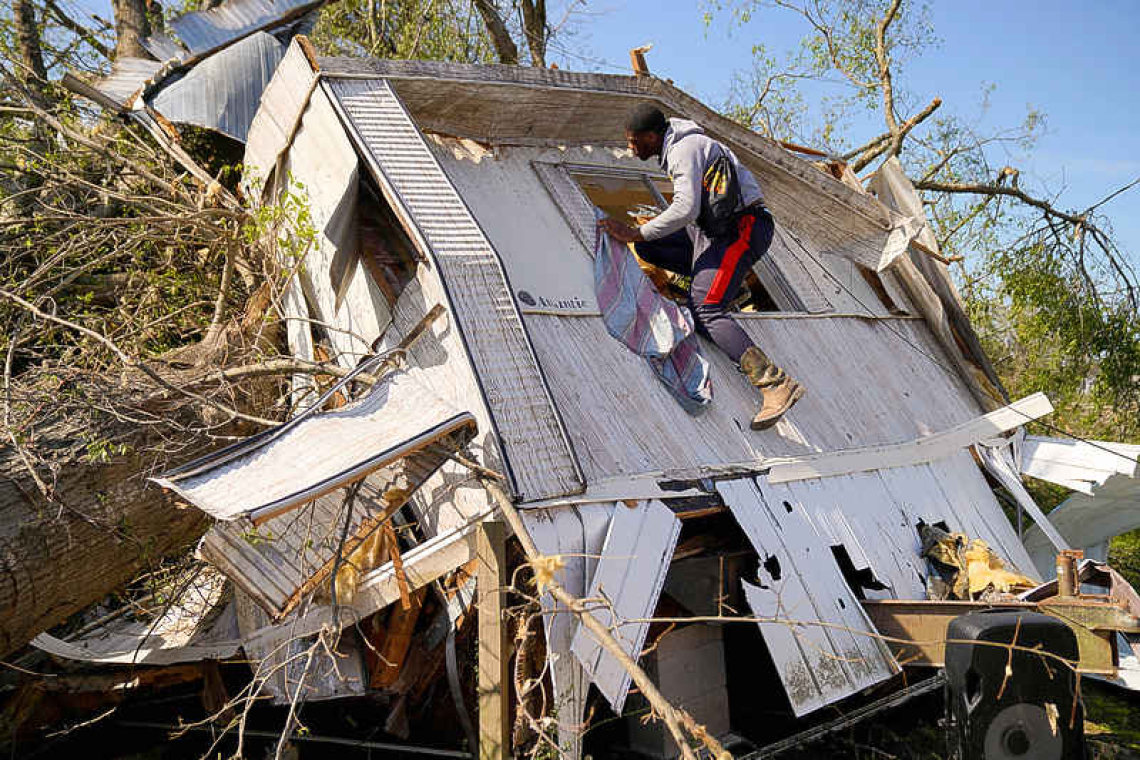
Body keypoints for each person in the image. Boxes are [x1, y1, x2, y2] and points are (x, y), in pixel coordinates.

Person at [598, 103, 804, 430]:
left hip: (743, 229)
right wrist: (641, 236)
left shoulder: (683, 149)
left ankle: (775, 384)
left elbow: (685, 208)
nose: (630, 147)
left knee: (706, 307)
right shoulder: (682, 147)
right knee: (649, 245)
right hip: (714, 233)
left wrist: (633, 230)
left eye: (634, 141)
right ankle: (724, 285)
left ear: (652, 136)